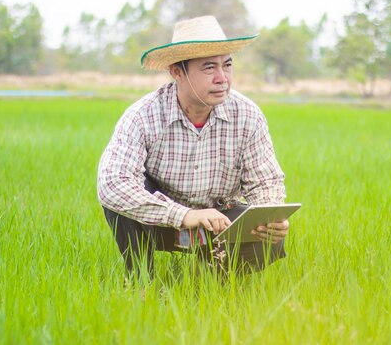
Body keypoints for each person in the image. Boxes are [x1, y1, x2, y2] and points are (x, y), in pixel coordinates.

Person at [97, 16, 289, 279]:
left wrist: (270, 216)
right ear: (177, 72)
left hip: (216, 224)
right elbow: (111, 184)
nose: (222, 78)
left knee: (271, 241)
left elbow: (265, 181)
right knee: (121, 203)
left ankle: (209, 279)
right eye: (209, 68)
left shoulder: (248, 115)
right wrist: (184, 215)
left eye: (227, 65)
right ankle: (142, 281)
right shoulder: (143, 116)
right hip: (164, 224)